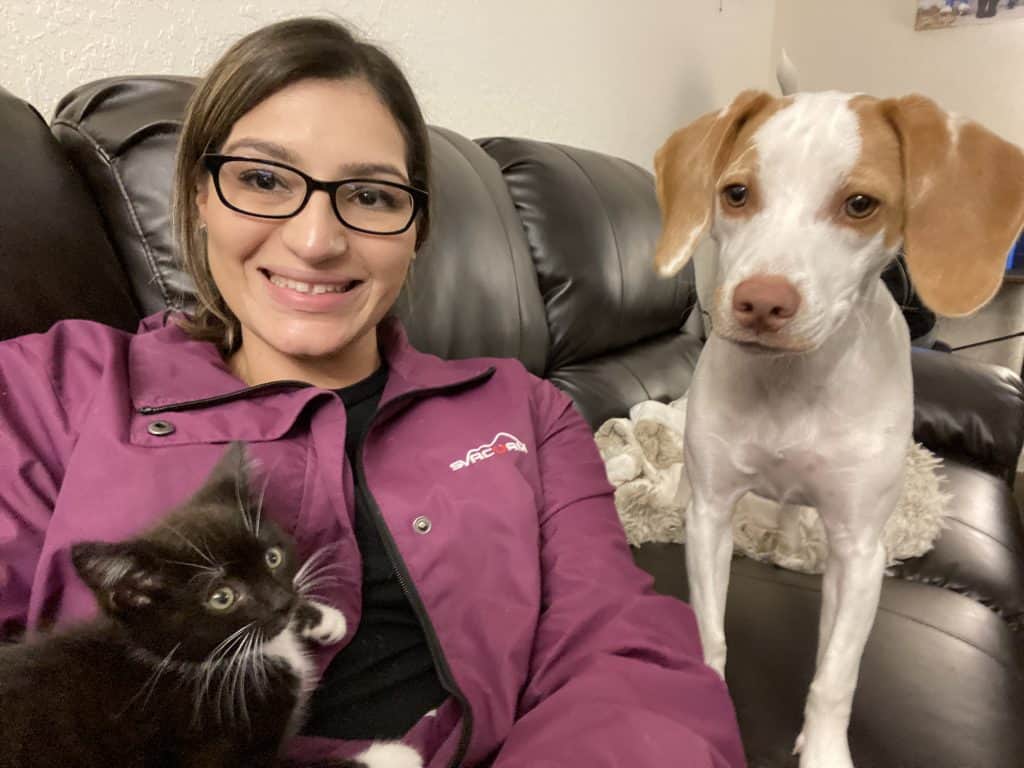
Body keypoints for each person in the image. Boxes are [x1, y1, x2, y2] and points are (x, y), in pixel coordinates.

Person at [0, 17, 744, 768]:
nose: (317, 240)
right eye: (262, 180)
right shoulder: (58, 388)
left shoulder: (523, 410)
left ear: (416, 228)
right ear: (198, 197)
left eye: (371, 195)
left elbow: (623, 660)